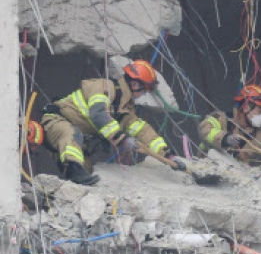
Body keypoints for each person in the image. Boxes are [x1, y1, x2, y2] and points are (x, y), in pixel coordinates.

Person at [41, 60, 183, 186]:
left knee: (86, 175)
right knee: (72, 135)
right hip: (57, 122)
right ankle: (74, 169)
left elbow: (143, 131)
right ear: (134, 84)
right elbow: (98, 115)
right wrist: (122, 139)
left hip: (78, 140)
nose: (143, 94)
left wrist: (167, 155)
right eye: (144, 90)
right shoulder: (104, 87)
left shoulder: (125, 109)